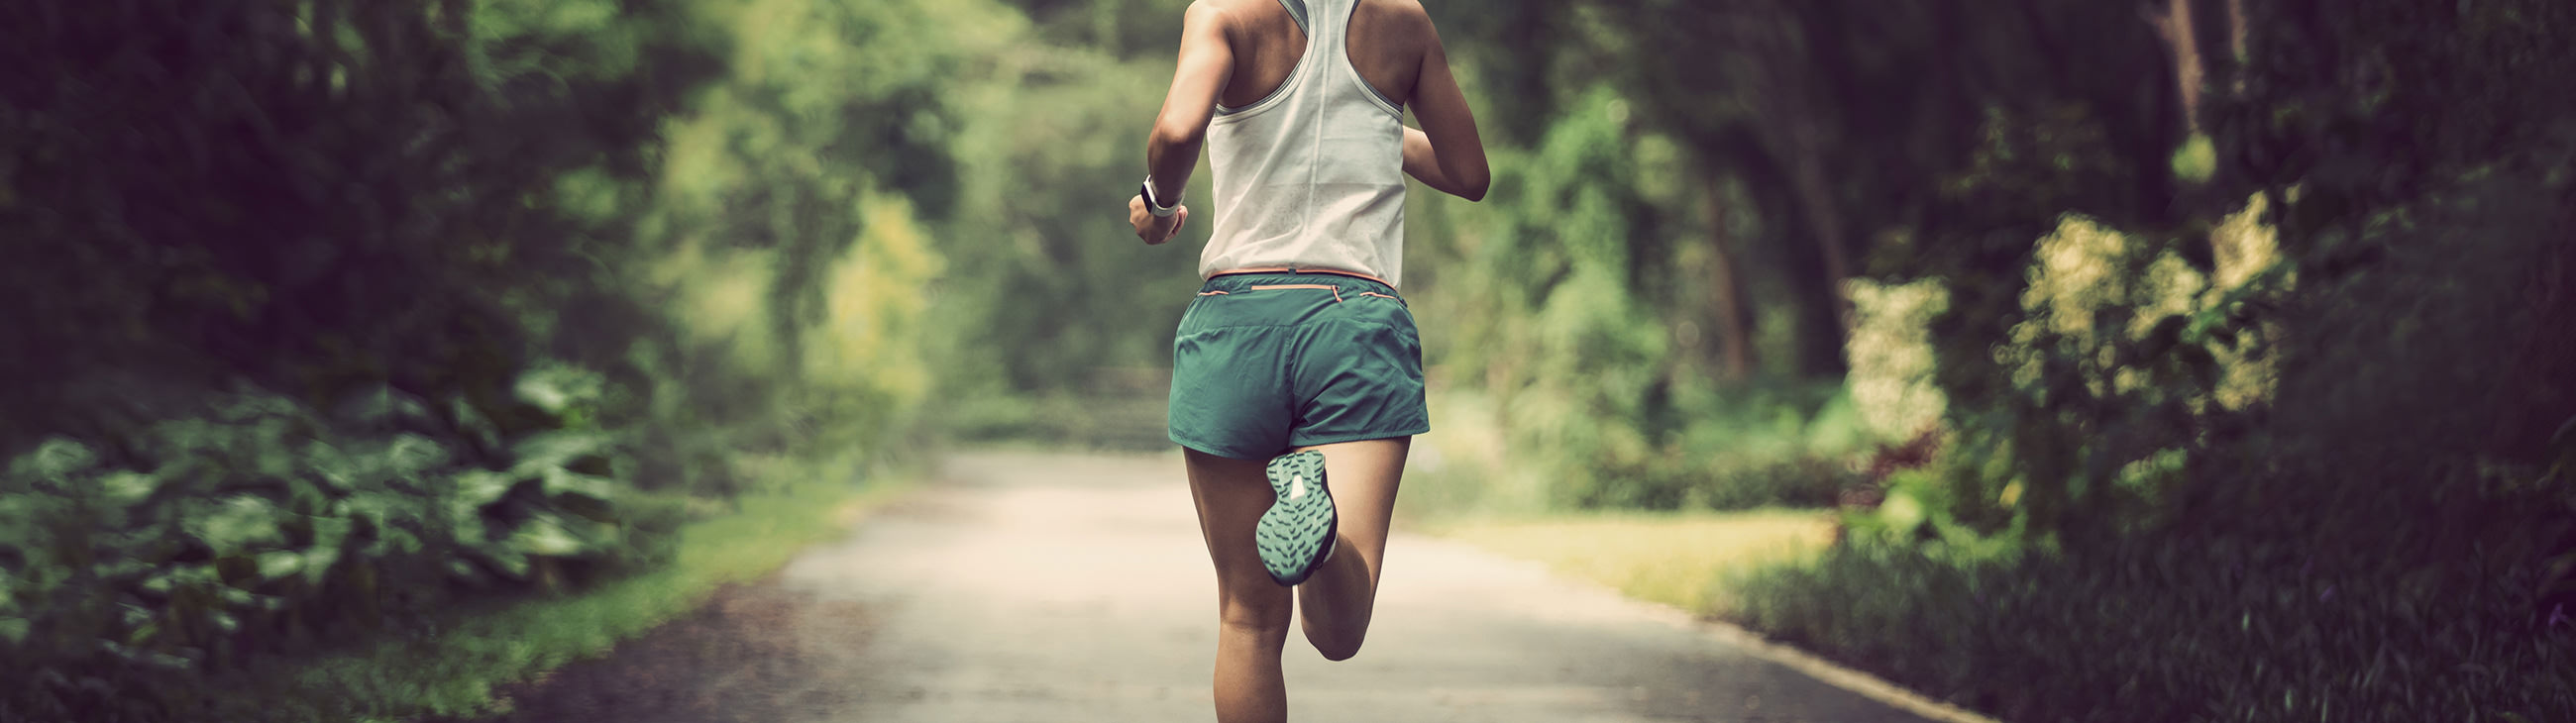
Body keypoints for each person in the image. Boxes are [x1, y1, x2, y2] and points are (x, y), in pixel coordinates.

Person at [1125, 0, 1487, 720]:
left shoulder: (1225, 12)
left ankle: (1307, 527)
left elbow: (1174, 129)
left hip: (1238, 323)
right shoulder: (1403, 21)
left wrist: (1159, 203)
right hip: (1354, 322)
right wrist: (1376, 124)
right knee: (1337, 632)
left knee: (1248, 621)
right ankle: (1313, 530)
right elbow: (1468, 171)